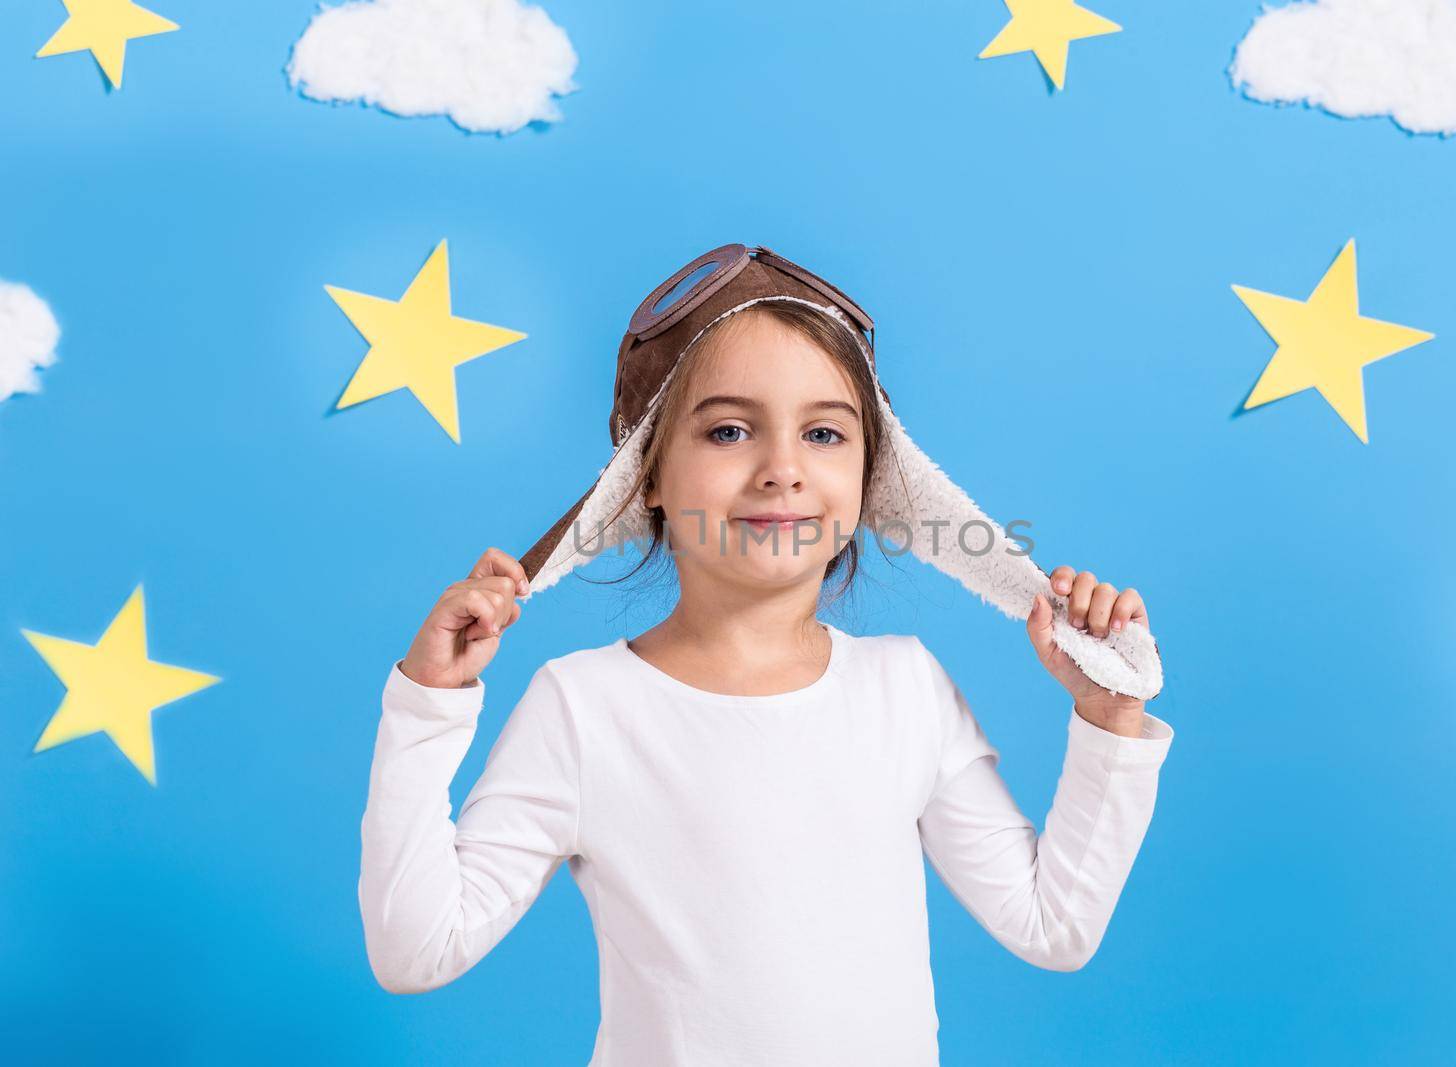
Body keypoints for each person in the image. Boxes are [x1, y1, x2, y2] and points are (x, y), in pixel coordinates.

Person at [358, 246, 1175, 1066]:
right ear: (645, 477)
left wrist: (1109, 719)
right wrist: (428, 705)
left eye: (823, 432)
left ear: (870, 476)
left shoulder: (906, 689)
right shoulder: (583, 706)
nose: (782, 470)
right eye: (728, 430)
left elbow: (1054, 925)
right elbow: (416, 949)